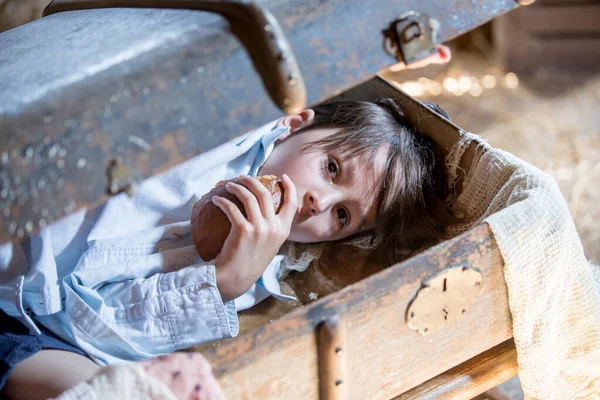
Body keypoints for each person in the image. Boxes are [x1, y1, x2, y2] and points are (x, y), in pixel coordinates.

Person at [0, 47, 451, 400]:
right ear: (294, 124)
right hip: (19, 225)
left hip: (36, 328)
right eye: (332, 168)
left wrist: (222, 283)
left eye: (342, 215)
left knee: (110, 386)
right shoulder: (234, 127)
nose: (319, 201)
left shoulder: (257, 276)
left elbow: (100, 331)